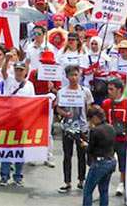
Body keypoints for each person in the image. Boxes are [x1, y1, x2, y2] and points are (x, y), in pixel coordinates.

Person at [56, 64, 93, 193]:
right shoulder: (62, 92)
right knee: (67, 156)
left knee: (82, 155)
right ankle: (67, 182)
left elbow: (89, 108)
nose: (74, 77)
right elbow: (58, 108)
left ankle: (81, 181)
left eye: (76, 75)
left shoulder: (85, 91)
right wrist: (65, 114)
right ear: (67, 76)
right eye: (71, 75)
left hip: (82, 127)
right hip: (67, 127)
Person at [0, 60, 33, 187]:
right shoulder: (9, 80)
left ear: (25, 72)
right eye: (17, 70)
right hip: (8, 119)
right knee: (6, 149)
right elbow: (3, 71)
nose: (18, 72)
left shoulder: (29, 85)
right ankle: (4, 176)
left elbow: (33, 103)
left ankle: (18, 176)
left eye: (21, 70)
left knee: (20, 150)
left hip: (22, 121)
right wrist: (7, 60)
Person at [81, 105, 117, 206]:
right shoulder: (111, 127)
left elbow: (90, 149)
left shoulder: (95, 131)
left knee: (88, 190)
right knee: (104, 190)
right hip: (110, 160)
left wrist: (84, 146)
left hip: (99, 162)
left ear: (95, 117)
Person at [101, 78, 127, 196]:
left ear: (120, 90)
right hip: (110, 139)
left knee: (123, 163)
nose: (109, 91)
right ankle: (104, 184)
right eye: (108, 89)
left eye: (112, 89)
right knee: (107, 162)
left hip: (124, 139)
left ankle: (122, 183)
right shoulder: (106, 103)